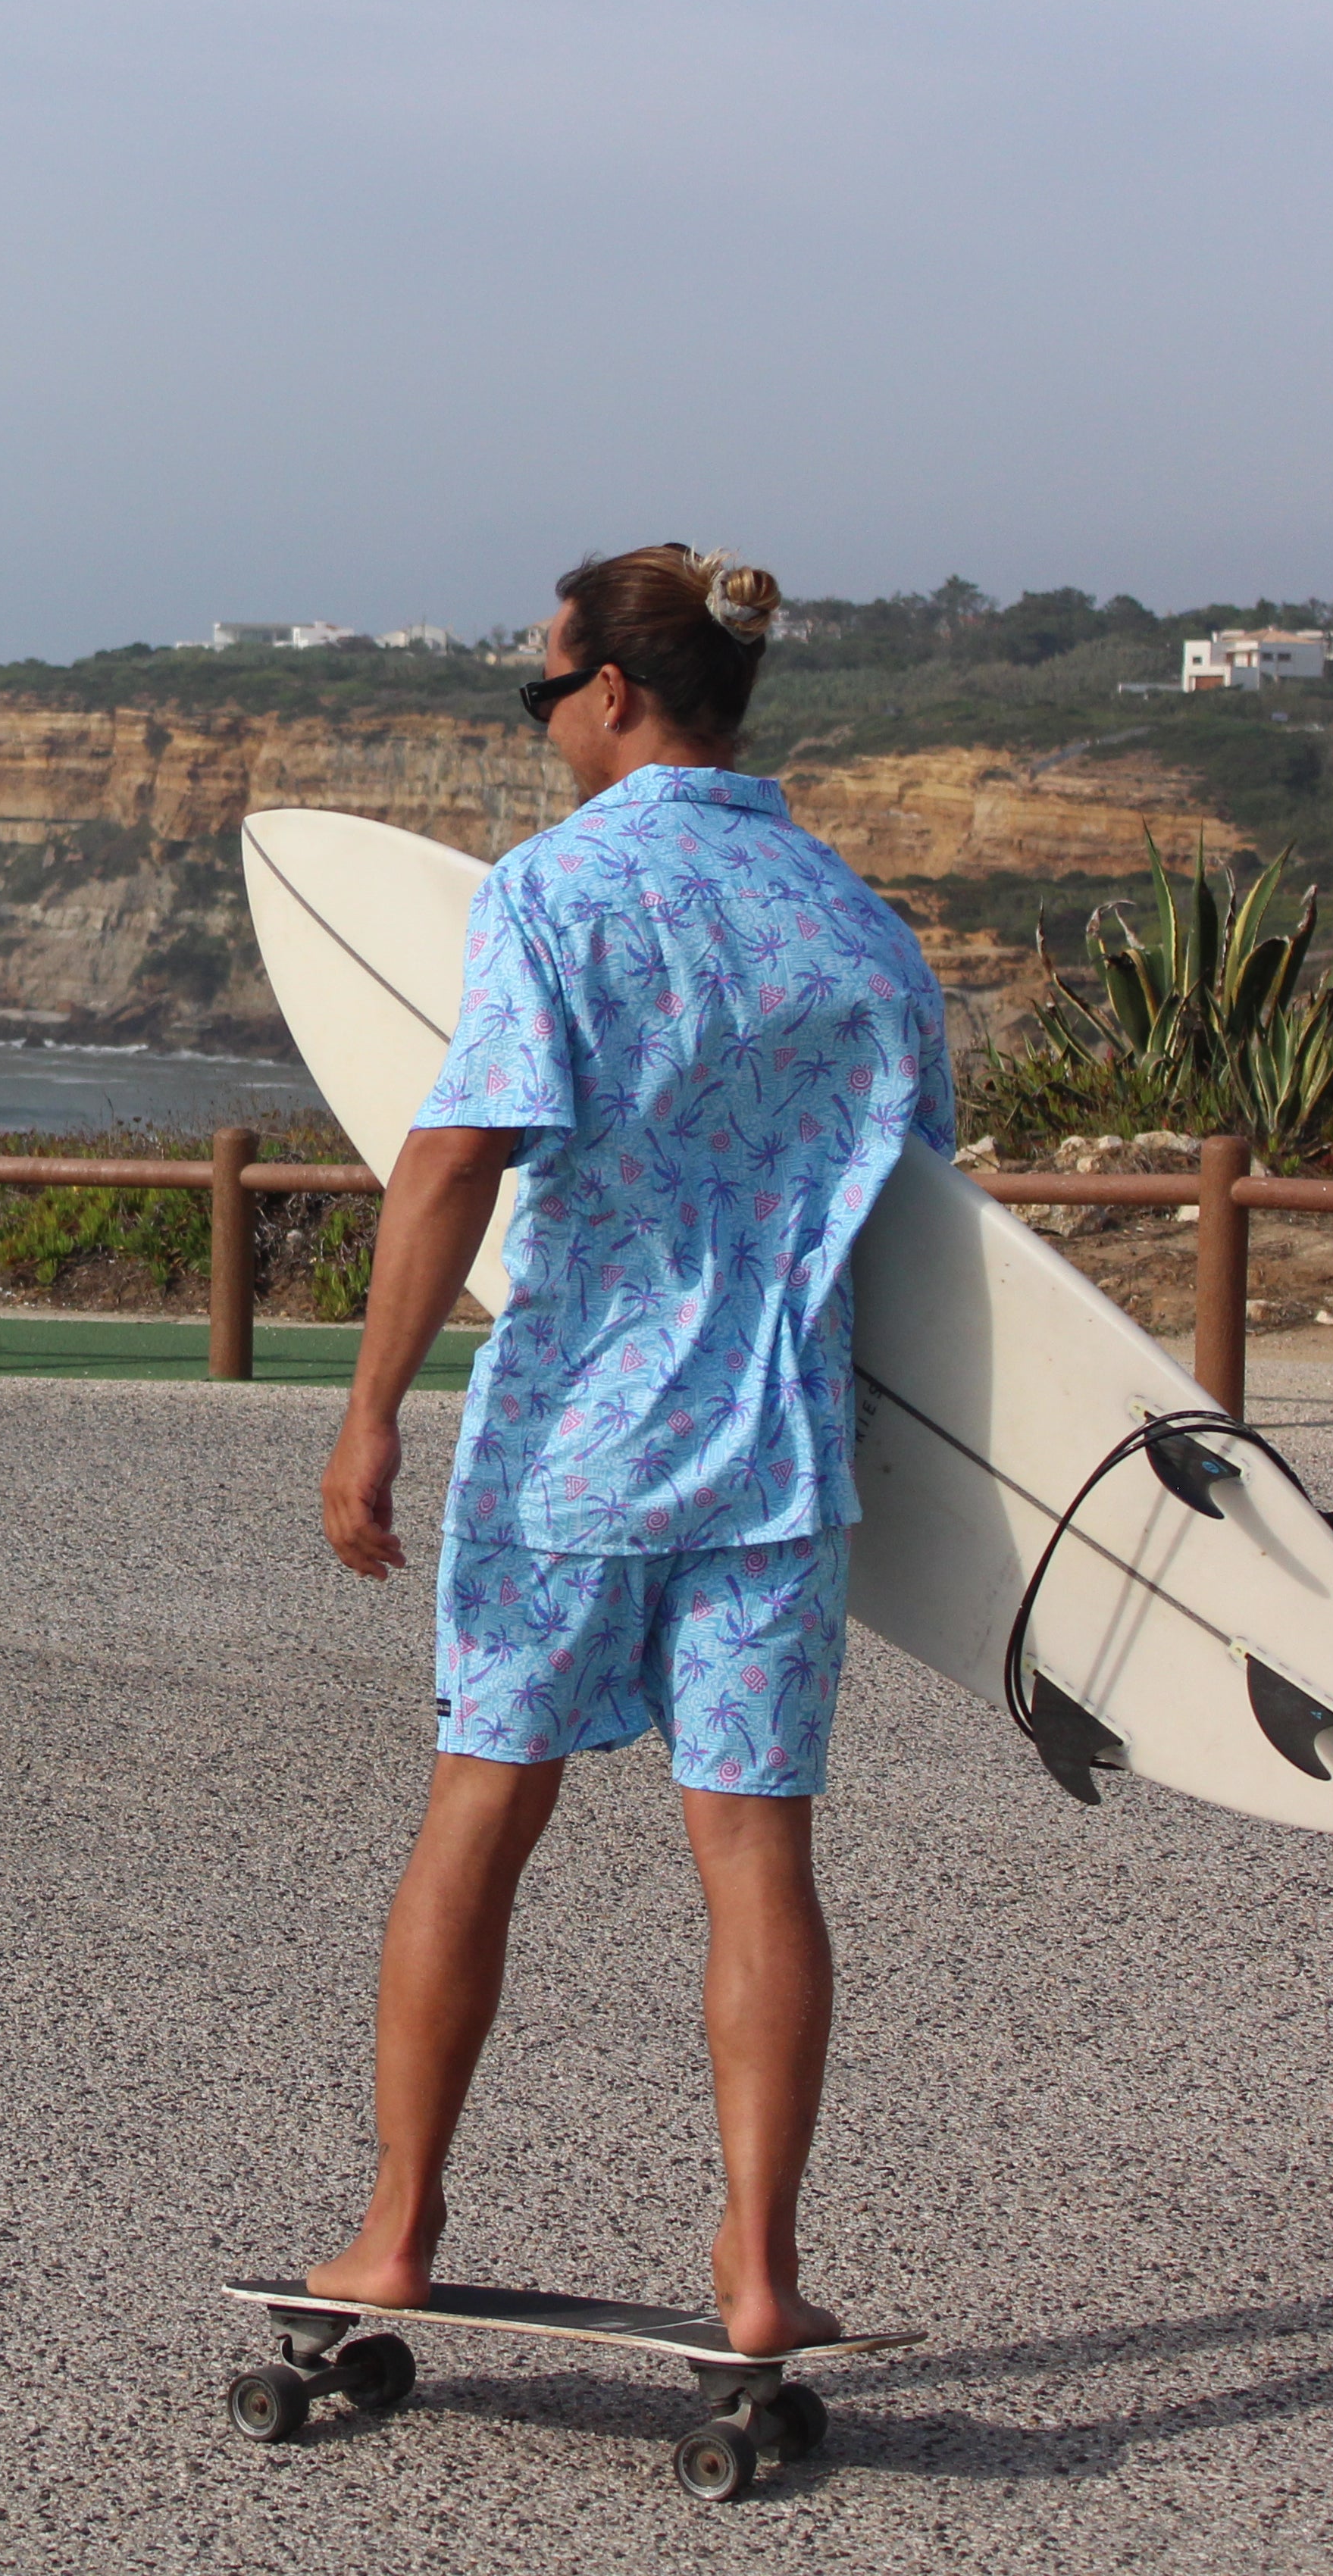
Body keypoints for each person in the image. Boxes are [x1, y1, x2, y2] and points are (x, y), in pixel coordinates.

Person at [302, 542, 954, 2358]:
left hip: (577, 1448)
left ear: (610, 694)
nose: (543, 721)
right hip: (783, 1459)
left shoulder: (558, 889)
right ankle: (758, 2275)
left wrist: (370, 1409)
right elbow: (921, 1215)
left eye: (544, 688)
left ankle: (395, 2235)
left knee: (481, 1815)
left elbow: (457, 1153)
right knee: (756, 1860)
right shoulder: (856, 920)